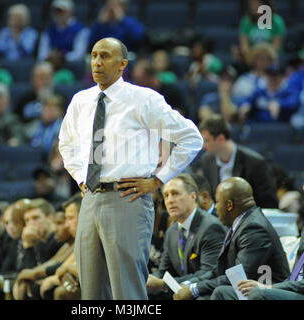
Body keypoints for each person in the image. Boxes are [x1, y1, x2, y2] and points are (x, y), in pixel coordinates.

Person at [58, 37, 203, 300]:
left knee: (128, 291)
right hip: (90, 199)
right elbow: (66, 144)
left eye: (105, 56)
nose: (97, 62)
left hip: (128, 197)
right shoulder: (81, 100)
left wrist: (158, 179)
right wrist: (81, 179)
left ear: (122, 64)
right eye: (93, 56)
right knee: (90, 291)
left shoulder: (143, 99)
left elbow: (192, 138)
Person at [173, 177, 290, 300]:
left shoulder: (254, 228)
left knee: (211, 294)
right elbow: (219, 270)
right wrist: (191, 283)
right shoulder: (242, 222)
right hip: (245, 289)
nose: (216, 207)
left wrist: (194, 289)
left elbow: (237, 278)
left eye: (217, 202)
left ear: (229, 205)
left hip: (267, 293)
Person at [146, 174, 226, 299]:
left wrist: (163, 284)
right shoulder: (172, 231)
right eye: (166, 195)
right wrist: (148, 281)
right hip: (180, 290)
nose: (170, 200)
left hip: (205, 291)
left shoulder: (211, 228)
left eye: (175, 193)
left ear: (193, 196)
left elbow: (210, 273)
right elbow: (164, 270)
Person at [199, 114, 278, 208]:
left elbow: (269, 203)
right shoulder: (207, 161)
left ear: (220, 138)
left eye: (206, 140)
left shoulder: (255, 163)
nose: (203, 146)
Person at [14, 194, 80, 300]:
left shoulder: (60, 240)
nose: (31, 224)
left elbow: (59, 266)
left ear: (50, 218)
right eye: (27, 220)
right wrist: (28, 245)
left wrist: (28, 247)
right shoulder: (39, 243)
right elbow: (55, 263)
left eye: (35, 218)